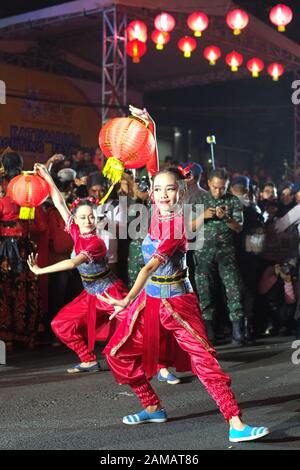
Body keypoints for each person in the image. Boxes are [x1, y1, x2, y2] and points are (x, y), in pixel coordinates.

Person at [98, 108, 270, 443]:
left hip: (177, 302)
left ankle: (235, 423)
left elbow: (148, 267)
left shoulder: (177, 225)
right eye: (158, 190)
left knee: (204, 360)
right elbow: (154, 167)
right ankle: (152, 407)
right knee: (116, 353)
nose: (163, 194)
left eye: (170, 190)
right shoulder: (152, 210)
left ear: (181, 193)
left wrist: (125, 298)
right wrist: (150, 126)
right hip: (149, 302)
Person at [27, 163, 129, 373]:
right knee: (60, 324)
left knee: (140, 328)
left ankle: (162, 365)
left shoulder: (96, 242)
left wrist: (40, 270)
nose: (88, 220)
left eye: (91, 217)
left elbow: (73, 263)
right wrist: (47, 176)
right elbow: (59, 203)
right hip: (91, 295)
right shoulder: (75, 230)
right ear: (77, 219)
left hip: (111, 293)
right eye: (83, 217)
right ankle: (88, 360)